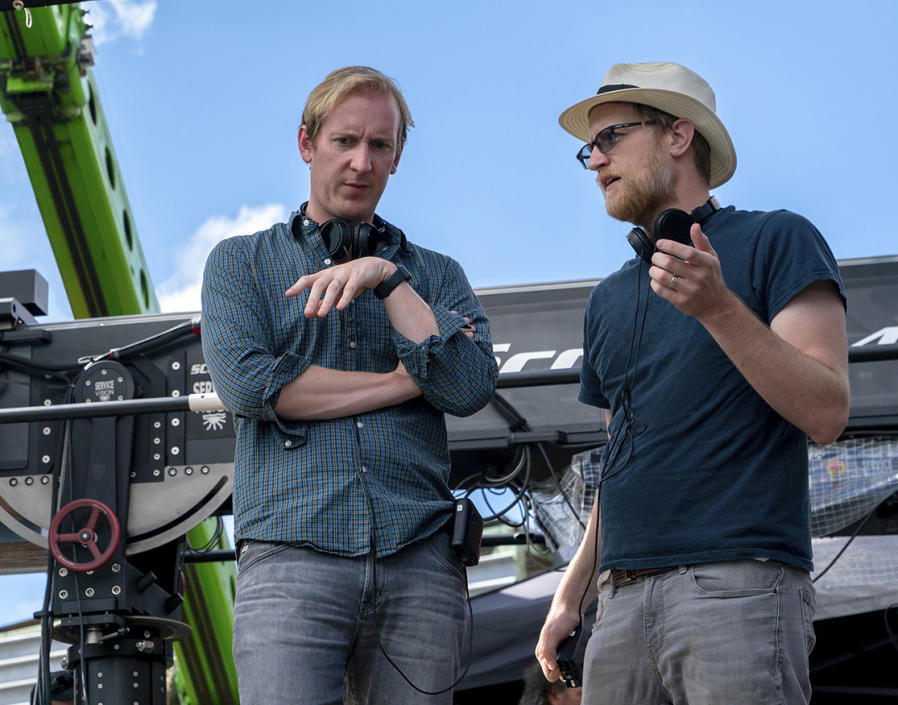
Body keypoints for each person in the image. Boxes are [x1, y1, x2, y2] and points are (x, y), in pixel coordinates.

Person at [535, 62, 850, 705]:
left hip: (736, 585)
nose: (593, 160)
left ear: (678, 136)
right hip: (619, 605)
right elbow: (618, 466)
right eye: (586, 149)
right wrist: (573, 594)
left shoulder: (777, 238)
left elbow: (827, 410)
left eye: (610, 139)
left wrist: (719, 309)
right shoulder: (608, 298)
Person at [201, 65, 498, 705]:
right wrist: (407, 378)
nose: (362, 162)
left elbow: (470, 386)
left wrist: (389, 282)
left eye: (380, 146)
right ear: (307, 143)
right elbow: (252, 388)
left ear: (398, 157)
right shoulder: (239, 261)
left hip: (420, 561)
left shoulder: (435, 274)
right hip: (289, 558)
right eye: (345, 141)